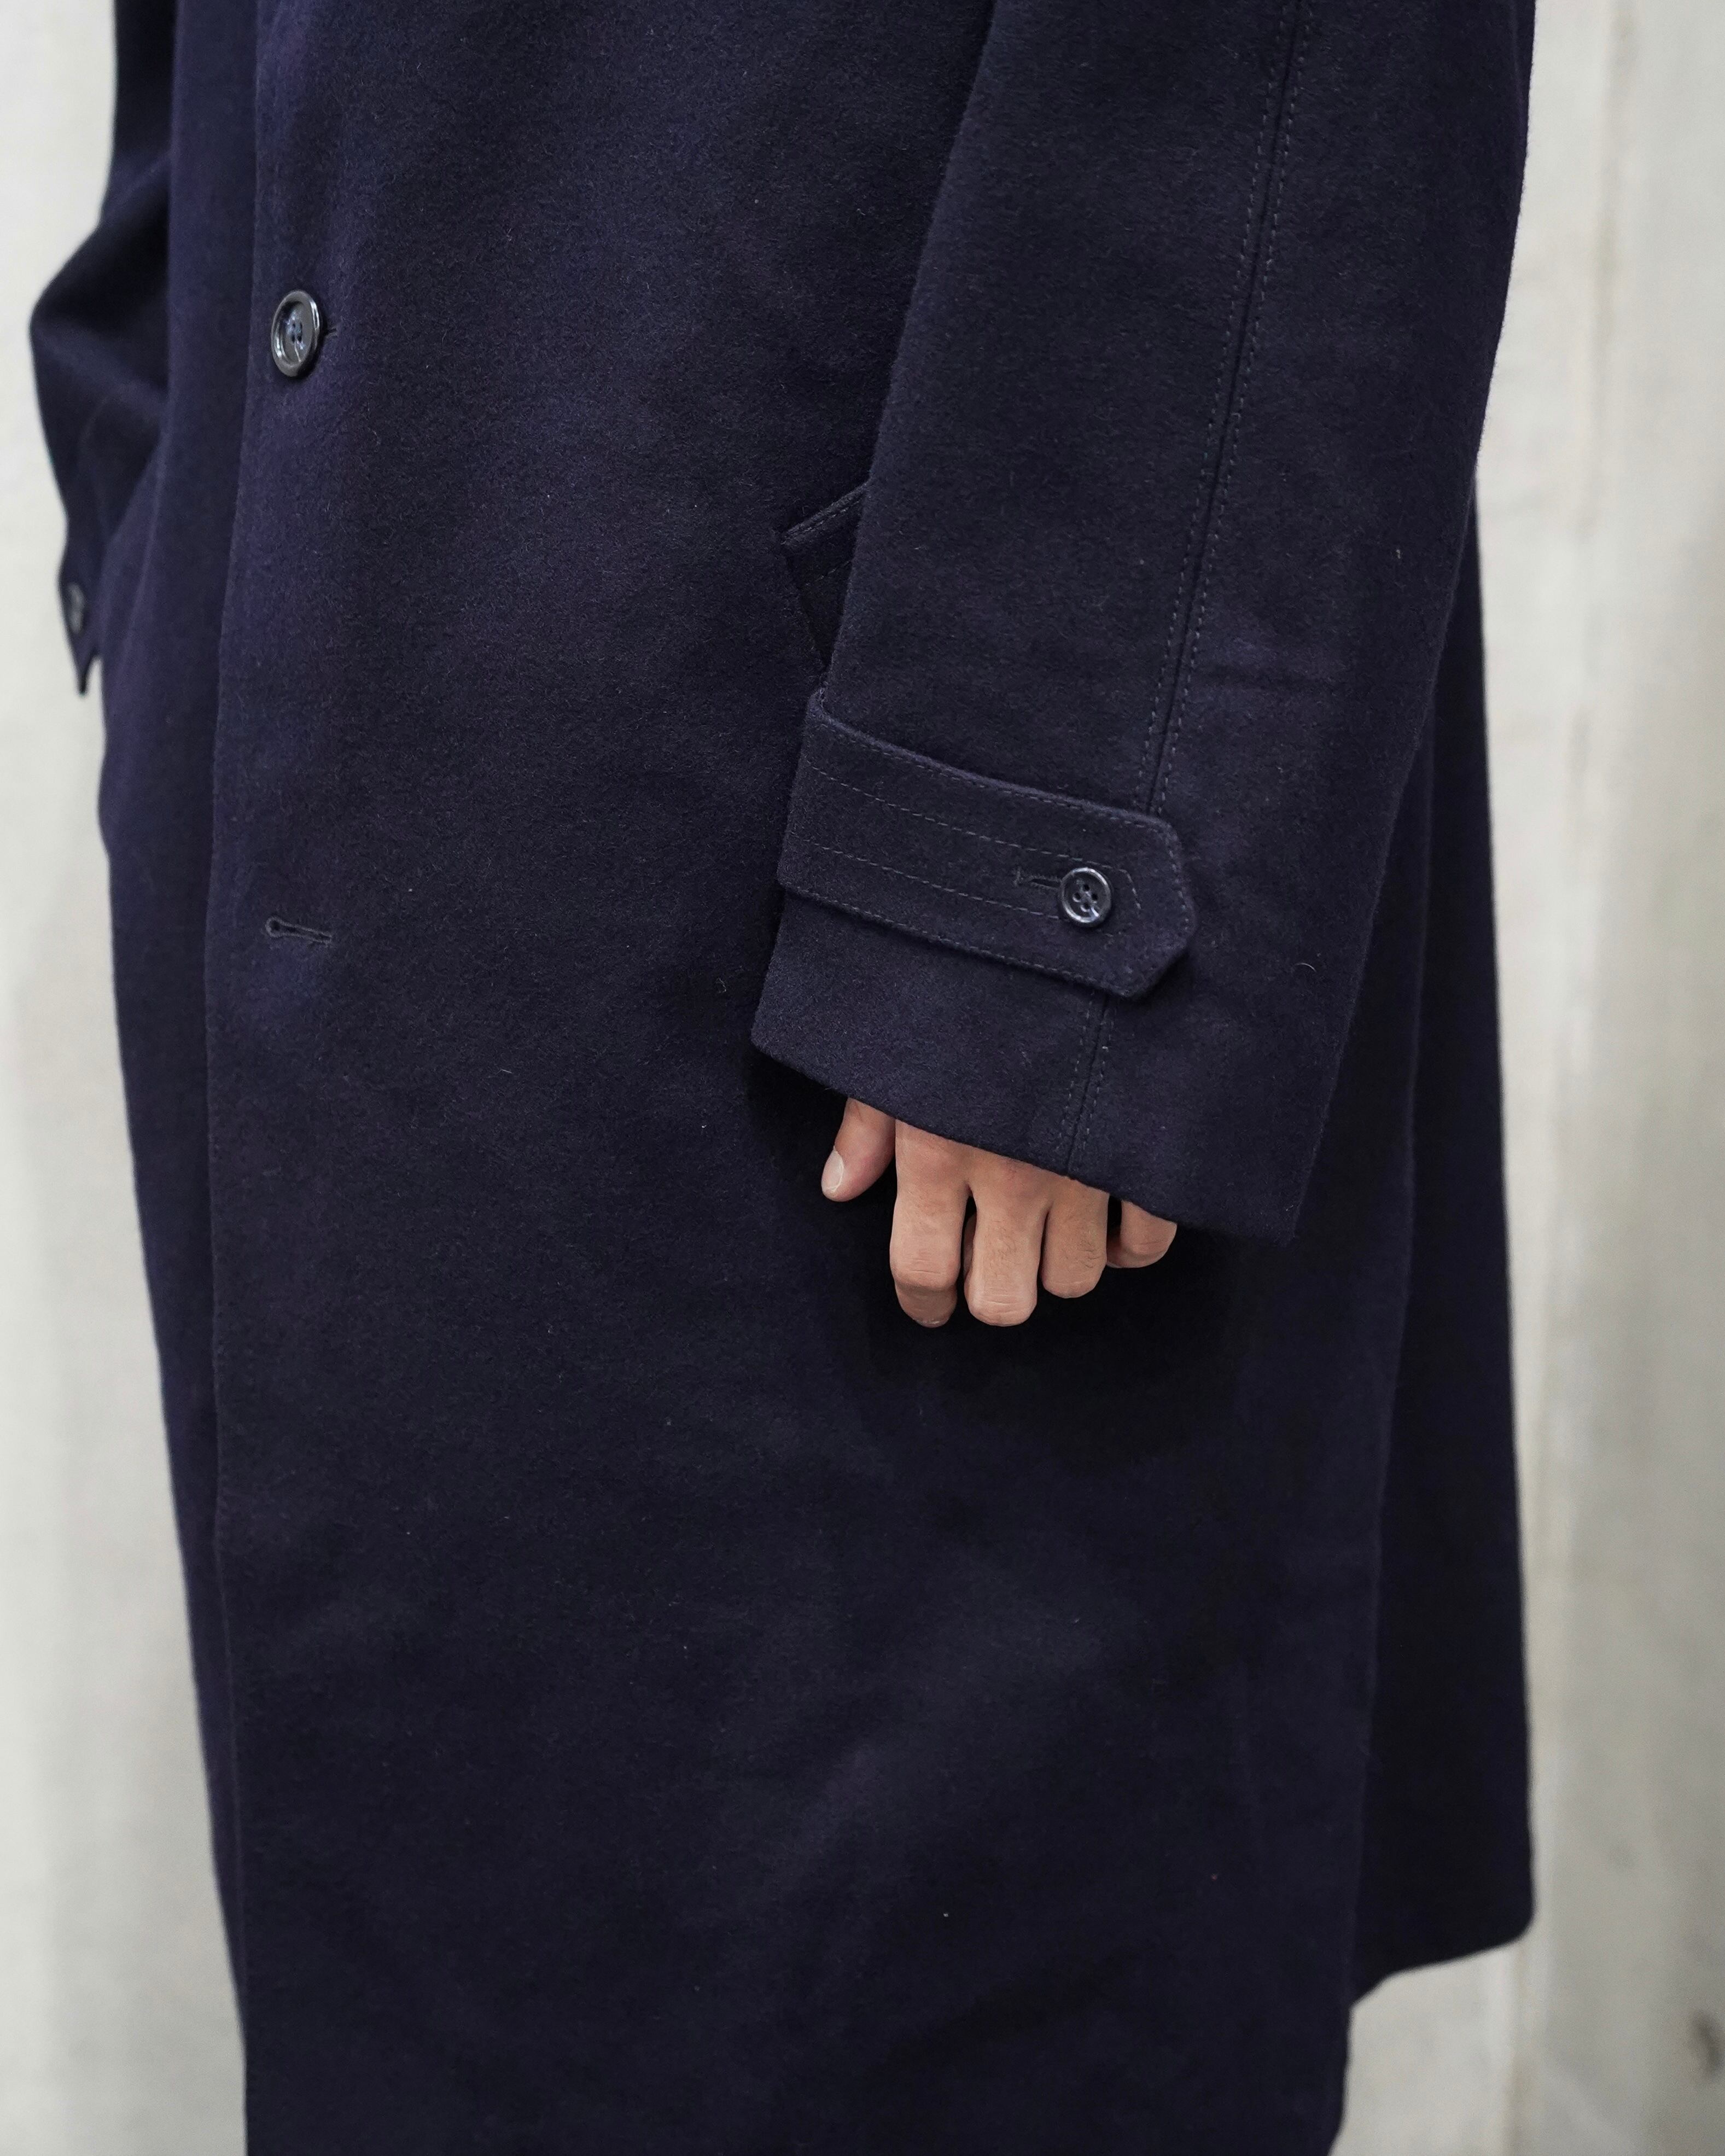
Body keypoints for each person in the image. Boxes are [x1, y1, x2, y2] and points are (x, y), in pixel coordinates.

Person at [33, 0, 1535, 2147]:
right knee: (447, 1963)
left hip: (858, 778)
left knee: (907, 1998)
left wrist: (1052, 845)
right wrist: (154, 459)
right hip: (344, 653)